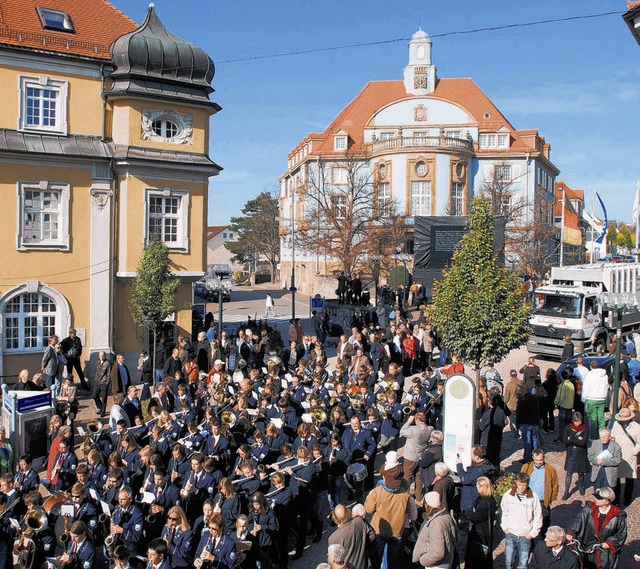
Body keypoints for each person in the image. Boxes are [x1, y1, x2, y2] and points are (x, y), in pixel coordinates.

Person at [364, 451, 416, 568]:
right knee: (394, 560)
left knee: (376, 558)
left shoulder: (378, 492)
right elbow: (412, 514)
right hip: (397, 531)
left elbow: (368, 509)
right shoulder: (405, 494)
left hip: (379, 530)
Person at [567, 487, 628, 569]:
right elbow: (578, 522)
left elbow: (621, 534)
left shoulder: (618, 516)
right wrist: (571, 533)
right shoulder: (589, 510)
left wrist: (609, 543)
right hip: (588, 549)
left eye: (599, 498)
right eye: (596, 497)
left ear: (607, 501)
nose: (596, 499)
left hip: (606, 554)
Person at [500, 472, 543, 569]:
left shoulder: (533, 497)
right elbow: (504, 511)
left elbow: (538, 516)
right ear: (516, 482)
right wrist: (505, 527)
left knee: (523, 563)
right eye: (519, 485)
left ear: (528, 484)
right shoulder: (508, 495)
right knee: (508, 561)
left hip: (525, 535)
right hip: (510, 533)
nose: (521, 488)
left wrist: (532, 533)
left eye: (524, 485)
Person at [412, 491, 458, 568]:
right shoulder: (446, 516)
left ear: (427, 505)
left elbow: (438, 553)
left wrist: (422, 560)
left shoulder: (436, 524)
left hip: (436, 565)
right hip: (445, 561)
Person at [520, 449, 559, 537]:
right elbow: (521, 481)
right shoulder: (526, 467)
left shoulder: (550, 470)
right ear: (533, 458)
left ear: (544, 458)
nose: (539, 462)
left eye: (540, 460)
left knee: (543, 522)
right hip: (529, 499)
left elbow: (555, 485)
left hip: (542, 501)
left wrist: (550, 500)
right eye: (536, 460)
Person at [464, 477, 497, 569]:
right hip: (482, 531)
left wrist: (468, 511)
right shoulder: (488, 499)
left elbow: (474, 516)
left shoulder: (485, 503)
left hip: (480, 534)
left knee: (477, 560)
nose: (476, 487)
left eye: (477, 486)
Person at [328, 504, 374, 569]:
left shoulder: (333, 538)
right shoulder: (359, 521)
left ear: (335, 518)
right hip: (364, 564)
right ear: (348, 512)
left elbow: (335, 560)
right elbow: (372, 535)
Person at [610, 407, 640, 506]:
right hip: (618, 456)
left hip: (630, 456)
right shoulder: (616, 424)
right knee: (616, 479)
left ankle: (627, 498)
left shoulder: (636, 427)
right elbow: (613, 435)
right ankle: (616, 499)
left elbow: (639, 443)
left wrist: (634, 452)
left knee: (629, 479)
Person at [562, 411, 590, 499]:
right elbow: (564, 440)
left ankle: (581, 487)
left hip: (581, 452)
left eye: (579, 421)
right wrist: (577, 439)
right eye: (576, 421)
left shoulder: (585, 428)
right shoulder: (568, 428)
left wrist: (571, 439)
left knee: (581, 472)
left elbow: (583, 442)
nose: (578, 423)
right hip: (572, 453)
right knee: (569, 472)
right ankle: (566, 491)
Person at [399, 412, 432, 483]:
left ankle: (406, 493)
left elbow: (402, 431)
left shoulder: (413, 429)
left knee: (407, 477)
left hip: (410, 457)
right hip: (421, 455)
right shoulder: (430, 429)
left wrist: (408, 422)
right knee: (419, 477)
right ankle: (419, 494)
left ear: (417, 420)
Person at [588, 428, 622, 492]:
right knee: (597, 493)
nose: (602, 439)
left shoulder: (616, 446)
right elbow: (590, 456)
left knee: (607, 494)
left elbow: (618, 460)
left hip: (609, 474)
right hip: (597, 473)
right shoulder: (595, 443)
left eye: (604, 437)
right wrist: (596, 461)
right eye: (601, 437)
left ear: (609, 437)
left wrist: (604, 461)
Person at [582, 360, 609, 438]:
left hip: (591, 398)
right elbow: (606, 386)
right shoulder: (605, 375)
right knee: (601, 418)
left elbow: (586, 387)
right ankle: (602, 434)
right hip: (602, 398)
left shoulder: (590, 375)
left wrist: (583, 399)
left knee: (593, 419)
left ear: (591, 367)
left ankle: (594, 436)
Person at [94, 350, 112, 418]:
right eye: (100, 356)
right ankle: (99, 407)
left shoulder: (107, 363)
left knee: (104, 398)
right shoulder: (97, 362)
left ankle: (103, 411)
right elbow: (97, 372)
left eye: (102, 356)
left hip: (104, 382)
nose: (101, 357)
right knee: (94, 395)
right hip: (97, 381)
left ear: (105, 356)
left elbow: (108, 373)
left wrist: (107, 383)